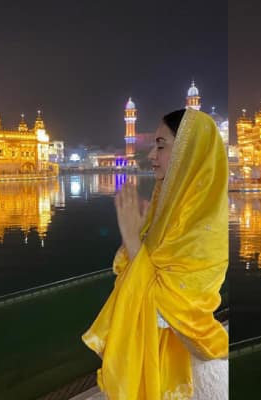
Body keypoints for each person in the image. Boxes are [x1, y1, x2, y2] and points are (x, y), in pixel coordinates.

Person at [82, 108, 229, 399]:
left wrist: (133, 241)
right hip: (161, 367)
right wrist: (136, 240)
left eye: (161, 145)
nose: (151, 155)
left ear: (190, 152)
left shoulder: (205, 228)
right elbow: (138, 278)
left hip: (192, 378)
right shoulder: (168, 216)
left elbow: (173, 314)